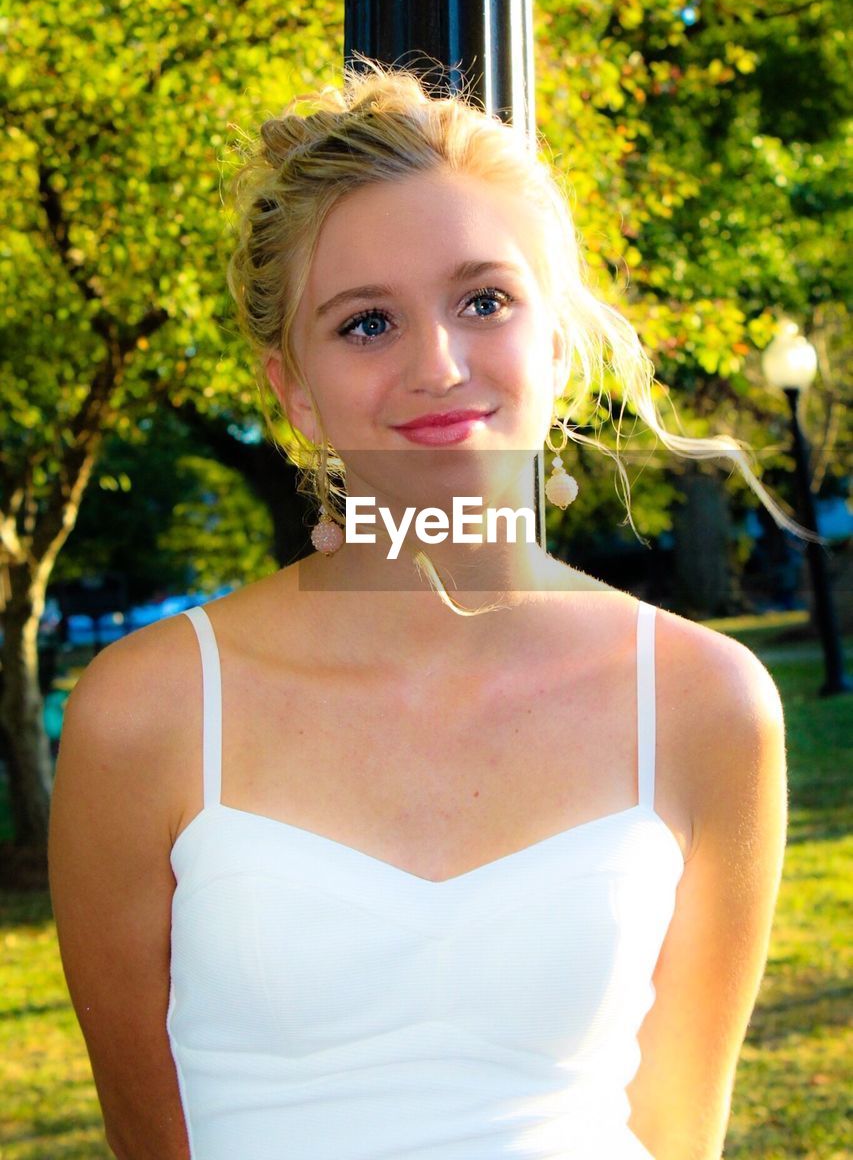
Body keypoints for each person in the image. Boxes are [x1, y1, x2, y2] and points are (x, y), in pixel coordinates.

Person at [48, 58, 796, 1160]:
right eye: (365, 323)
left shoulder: (704, 699)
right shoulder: (148, 708)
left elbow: (682, 1128)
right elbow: (146, 1132)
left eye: (483, 299)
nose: (438, 364)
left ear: (551, 336)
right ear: (291, 385)